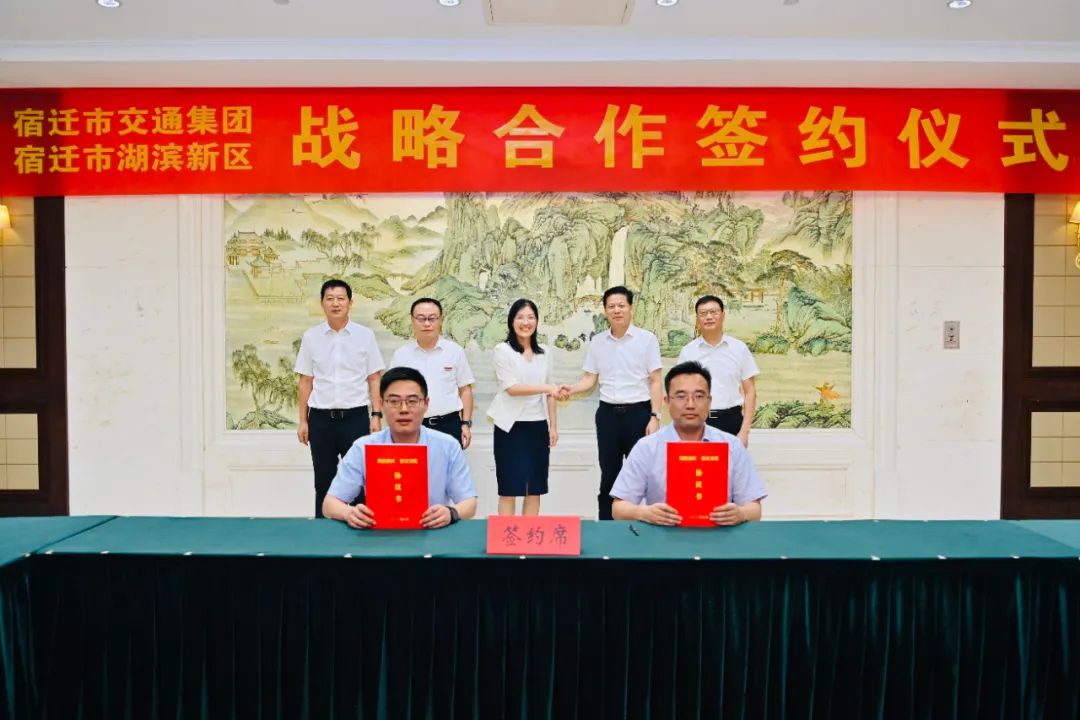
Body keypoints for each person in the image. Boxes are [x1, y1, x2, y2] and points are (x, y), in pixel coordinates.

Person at [610, 361, 767, 526]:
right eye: (681, 396)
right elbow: (618, 508)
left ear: (709, 401)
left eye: (699, 396)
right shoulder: (647, 447)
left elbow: (755, 509)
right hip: (662, 537)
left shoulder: (732, 446)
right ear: (667, 401)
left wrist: (741, 513)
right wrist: (644, 513)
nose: (690, 405)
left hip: (719, 537)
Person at [322, 366, 478, 528]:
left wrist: (451, 513)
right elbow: (329, 504)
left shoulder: (447, 446)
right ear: (381, 405)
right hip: (378, 534)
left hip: (432, 533)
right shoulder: (363, 447)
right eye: (394, 401)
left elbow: (470, 503)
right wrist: (349, 513)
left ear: (426, 404)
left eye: (412, 401)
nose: (404, 409)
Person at [560, 286, 662, 521]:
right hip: (607, 417)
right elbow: (590, 379)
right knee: (609, 477)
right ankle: (606, 528)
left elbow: (656, 380)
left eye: (621, 306)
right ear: (605, 311)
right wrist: (571, 389)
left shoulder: (647, 340)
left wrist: (655, 417)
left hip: (639, 415)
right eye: (611, 306)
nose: (617, 310)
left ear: (631, 308)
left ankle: (644, 525)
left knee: (643, 475)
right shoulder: (598, 342)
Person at [295, 279, 386, 518]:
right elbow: (305, 381)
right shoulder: (311, 337)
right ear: (322, 303)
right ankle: (322, 531)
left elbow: (374, 378)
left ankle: (360, 527)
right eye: (330, 299)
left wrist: (376, 415)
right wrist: (303, 421)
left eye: (341, 298)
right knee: (323, 481)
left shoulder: (365, 335)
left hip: (355, 418)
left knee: (358, 480)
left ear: (350, 303)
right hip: (320, 419)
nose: (335, 303)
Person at [487, 299, 559, 516]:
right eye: (520, 317)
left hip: (537, 426)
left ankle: (529, 535)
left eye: (530, 317)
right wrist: (548, 387)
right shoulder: (503, 350)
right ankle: (506, 536)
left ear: (536, 321)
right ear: (512, 321)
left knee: (534, 489)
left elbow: (551, 392)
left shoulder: (545, 352)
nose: (525, 322)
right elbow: (512, 388)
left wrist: (553, 427)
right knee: (509, 488)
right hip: (510, 427)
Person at [390, 297, 475, 448]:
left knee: (447, 464)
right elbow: (392, 394)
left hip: (448, 425)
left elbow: (465, 390)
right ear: (413, 321)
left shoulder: (455, 351)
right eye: (421, 318)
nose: (427, 324)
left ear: (440, 320)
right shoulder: (401, 355)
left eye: (432, 318)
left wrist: (465, 423)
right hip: (411, 426)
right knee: (412, 465)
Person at [676, 295, 759, 446]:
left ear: (723, 315)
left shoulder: (739, 348)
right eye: (703, 313)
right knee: (698, 463)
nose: (709, 317)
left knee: (731, 462)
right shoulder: (688, 351)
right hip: (697, 421)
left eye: (713, 312)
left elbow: (750, 391)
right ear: (697, 319)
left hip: (731, 421)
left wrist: (744, 431)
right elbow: (679, 392)